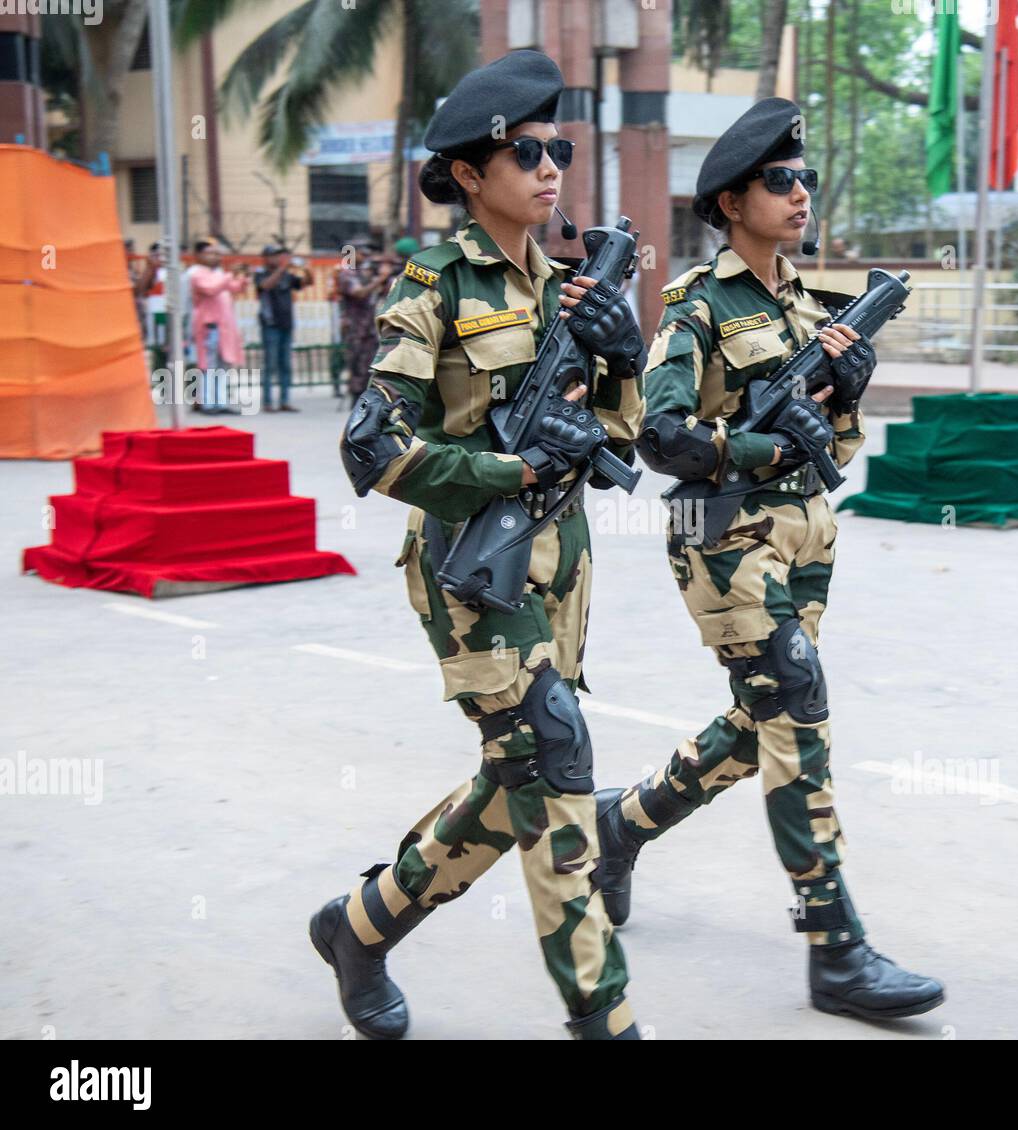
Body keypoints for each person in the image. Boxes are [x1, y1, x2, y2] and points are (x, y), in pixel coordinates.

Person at [312, 49, 648, 1041]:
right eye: (526, 151)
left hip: (560, 570)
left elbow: (618, 444)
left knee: (522, 776)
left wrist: (623, 358)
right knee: (556, 758)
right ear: (469, 174)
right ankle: (605, 1018)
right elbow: (369, 447)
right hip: (474, 571)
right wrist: (505, 471)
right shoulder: (435, 287)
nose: (551, 167)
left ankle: (361, 926)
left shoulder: (575, 289)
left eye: (559, 148)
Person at [591, 97, 947, 1024]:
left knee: (761, 727)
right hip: (725, 538)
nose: (801, 195)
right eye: (782, 182)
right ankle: (836, 948)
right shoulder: (696, 311)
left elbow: (835, 450)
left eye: (806, 180)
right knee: (800, 714)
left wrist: (840, 403)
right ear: (732, 202)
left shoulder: (807, 308)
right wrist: (759, 447)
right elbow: (657, 436)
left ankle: (618, 826)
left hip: (804, 536)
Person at [337, 239, 399, 408]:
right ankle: (355, 400)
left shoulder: (366, 273)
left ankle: (366, 398)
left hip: (369, 327)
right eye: (362, 253)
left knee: (369, 364)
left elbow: (386, 291)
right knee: (356, 363)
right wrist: (381, 278)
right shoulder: (347, 273)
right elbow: (359, 293)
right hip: (355, 328)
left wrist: (386, 277)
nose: (367, 256)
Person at [189, 238, 248, 414]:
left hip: (224, 328)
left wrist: (243, 278)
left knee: (223, 366)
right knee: (209, 366)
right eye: (210, 253)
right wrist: (229, 275)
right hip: (210, 326)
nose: (215, 257)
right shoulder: (196, 273)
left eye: (216, 253)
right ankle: (207, 403)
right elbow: (210, 289)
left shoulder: (218, 273)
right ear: (199, 255)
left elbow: (235, 288)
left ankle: (221, 402)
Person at [254, 243, 314, 412]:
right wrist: (282, 269)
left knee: (285, 364)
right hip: (270, 324)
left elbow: (306, 283)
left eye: (279, 255)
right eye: (273, 255)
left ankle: (284, 400)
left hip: (286, 324)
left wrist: (307, 269)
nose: (277, 258)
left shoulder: (287, 275)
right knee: (270, 364)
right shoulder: (260, 274)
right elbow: (265, 286)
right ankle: (267, 402)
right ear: (265, 258)